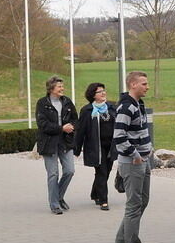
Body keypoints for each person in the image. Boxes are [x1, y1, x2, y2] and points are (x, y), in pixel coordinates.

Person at [114, 71, 155, 243]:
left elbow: (139, 131)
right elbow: (119, 136)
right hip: (133, 163)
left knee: (142, 201)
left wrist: (148, 148)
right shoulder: (126, 107)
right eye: (144, 84)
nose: (147, 87)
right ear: (133, 85)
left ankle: (123, 237)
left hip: (144, 160)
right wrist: (136, 155)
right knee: (134, 204)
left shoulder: (139, 103)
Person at [36, 76, 79, 215]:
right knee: (53, 173)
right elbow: (42, 124)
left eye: (62, 86)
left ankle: (58, 196)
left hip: (65, 142)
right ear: (51, 88)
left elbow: (75, 119)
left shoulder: (67, 101)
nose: (62, 88)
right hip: (49, 143)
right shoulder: (42, 103)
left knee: (70, 170)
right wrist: (61, 128)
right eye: (59, 86)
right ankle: (54, 204)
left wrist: (72, 126)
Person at [74, 82, 117, 211]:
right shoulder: (87, 111)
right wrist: (77, 148)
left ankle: (95, 193)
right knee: (102, 171)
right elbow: (80, 131)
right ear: (93, 95)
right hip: (95, 147)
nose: (103, 93)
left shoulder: (111, 107)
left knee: (106, 171)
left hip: (110, 146)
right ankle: (103, 200)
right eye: (100, 91)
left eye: (104, 90)